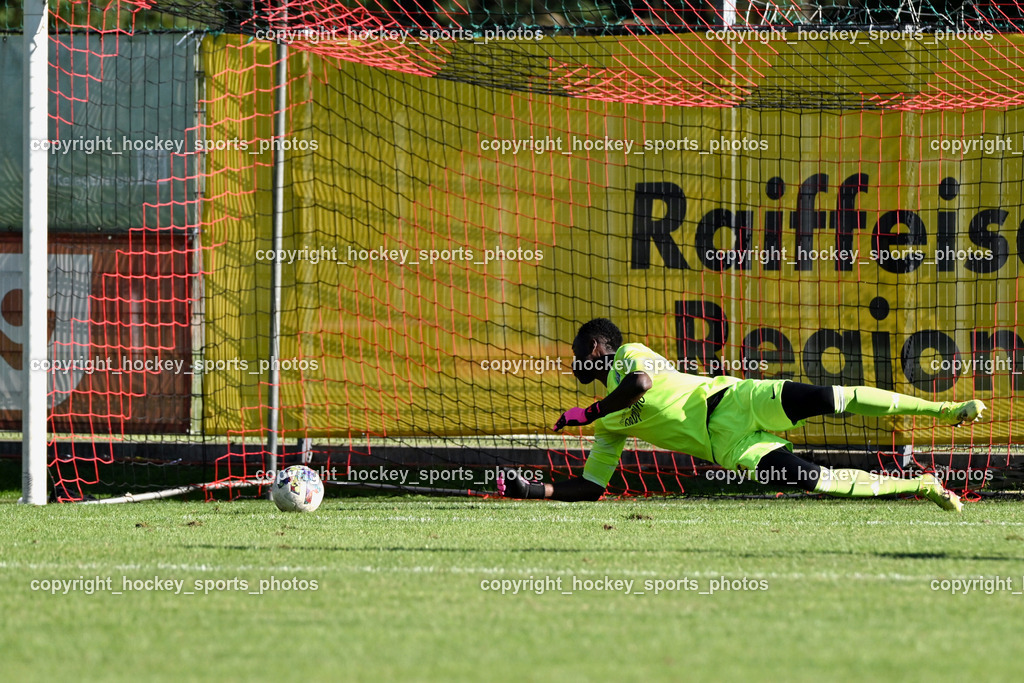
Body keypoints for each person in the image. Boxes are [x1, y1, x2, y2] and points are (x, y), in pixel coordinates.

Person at [498, 318, 986, 511]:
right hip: (731, 447)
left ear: (599, 346)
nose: (575, 360)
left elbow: (640, 386)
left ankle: (947, 410)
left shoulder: (629, 354)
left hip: (733, 400)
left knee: (828, 397)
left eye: (580, 351)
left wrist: (588, 410)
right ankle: (923, 486)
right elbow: (592, 487)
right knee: (813, 480)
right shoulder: (605, 423)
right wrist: (532, 490)